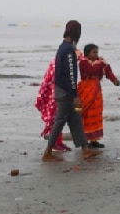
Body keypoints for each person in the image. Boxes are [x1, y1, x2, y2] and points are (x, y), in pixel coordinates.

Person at [42, 21, 101, 162]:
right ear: (76, 33)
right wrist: (74, 95)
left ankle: (86, 150)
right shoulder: (68, 50)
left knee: (75, 121)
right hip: (65, 93)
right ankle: (47, 152)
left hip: (62, 90)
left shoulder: (62, 47)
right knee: (60, 121)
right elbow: (70, 74)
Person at [77, 43, 120, 148]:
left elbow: (108, 72)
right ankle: (85, 141)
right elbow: (92, 70)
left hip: (96, 91)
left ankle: (94, 140)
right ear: (87, 54)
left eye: (97, 52)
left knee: (96, 114)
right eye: (94, 52)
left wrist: (114, 80)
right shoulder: (83, 63)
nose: (96, 54)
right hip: (85, 90)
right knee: (87, 114)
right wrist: (102, 63)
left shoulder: (100, 62)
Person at [34, 60, 70, 152]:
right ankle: (54, 144)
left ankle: (58, 142)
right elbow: (50, 80)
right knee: (55, 119)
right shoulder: (58, 63)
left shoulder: (61, 60)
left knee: (58, 119)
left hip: (57, 93)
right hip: (54, 93)